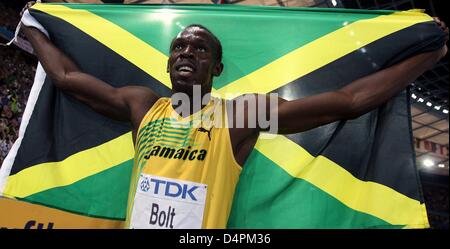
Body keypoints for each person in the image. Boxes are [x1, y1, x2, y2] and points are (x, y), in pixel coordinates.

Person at [19, 2, 448, 229]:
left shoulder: (240, 115)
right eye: (179, 48)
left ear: (217, 69)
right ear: (168, 63)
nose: (186, 52)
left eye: (200, 49)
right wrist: (34, 25)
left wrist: (429, 53)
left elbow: (348, 100)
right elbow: (66, 76)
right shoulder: (143, 105)